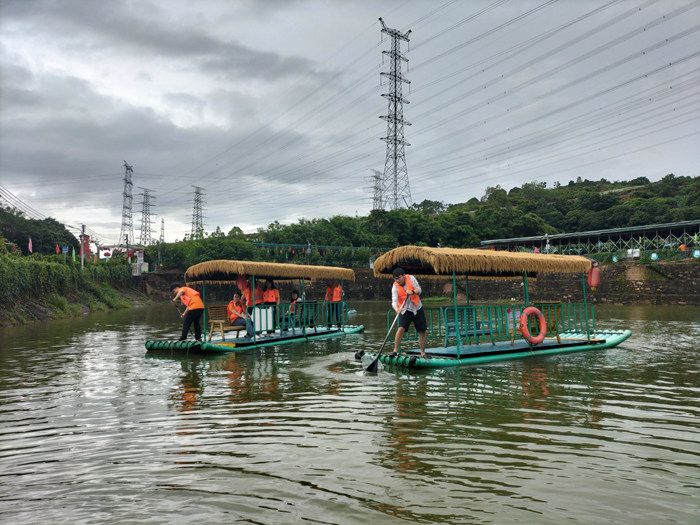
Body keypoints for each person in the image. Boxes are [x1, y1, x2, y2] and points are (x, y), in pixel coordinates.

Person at [390, 267, 428, 358]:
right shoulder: (395, 287)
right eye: (395, 278)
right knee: (401, 328)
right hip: (405, 309)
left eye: (399, 278)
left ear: (403, 275)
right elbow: (394, 302)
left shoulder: (411, 278)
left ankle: (423, 352)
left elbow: (419, 290)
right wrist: (397, 309)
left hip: (417, 307)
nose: (397, 280)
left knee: (421, 330)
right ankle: (395, 350)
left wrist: (413, 292)